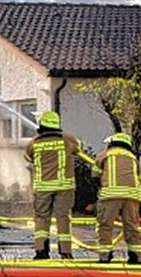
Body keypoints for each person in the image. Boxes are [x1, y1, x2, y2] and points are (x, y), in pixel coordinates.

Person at [23, 111, 94, 260]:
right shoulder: (68, 139)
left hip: (43, 187)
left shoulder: (34, 142)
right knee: (63, 218)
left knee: (42, 218)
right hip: (64, 187)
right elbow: (78, 149)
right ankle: (66, 252)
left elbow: (28, 157)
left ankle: (41, 251)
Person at [93, 132, 141, 265]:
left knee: (105, 226)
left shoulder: (104, 154)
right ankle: (136, 257)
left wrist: (102, 188)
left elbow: (95, 175)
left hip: (111, 195)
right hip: (133, 196)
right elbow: (139, 178)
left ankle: (105, 256)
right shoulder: (133, 158)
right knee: (132, 226)